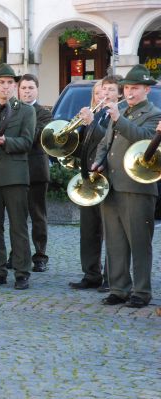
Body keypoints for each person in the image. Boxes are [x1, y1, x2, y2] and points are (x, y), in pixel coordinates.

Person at [91, 65, 161, 308]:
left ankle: (141, 292)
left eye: (135, 88)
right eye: (128, 87)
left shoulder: (154, 114)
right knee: (115, 242)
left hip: (137, 187)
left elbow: (145, 140)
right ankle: (119, 289)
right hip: (111, 184)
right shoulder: (120, 111)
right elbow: (105, 143)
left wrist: (118, 119)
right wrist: (98, 162)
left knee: (139, 242)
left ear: (147, 90)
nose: (129, 92)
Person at [0, 63, 35, 290]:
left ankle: (22, 273)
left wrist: (6, 141)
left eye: (10, 82)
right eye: (1, 82)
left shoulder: (26, 111)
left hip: (15, 177)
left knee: (18, 227)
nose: (6, 86)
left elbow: (27, 142)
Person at [69, 77, 120, 292]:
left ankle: (111, 276)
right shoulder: (96, 114)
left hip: (109, 177)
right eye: (99, 92)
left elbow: (109, 142)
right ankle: (91, 274)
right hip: (89, 178)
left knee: (111, 231)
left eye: (108, 91)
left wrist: (91, 124)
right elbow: (82, 146)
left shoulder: (118, 115)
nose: (103, 95)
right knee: (88, 230)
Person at [14, 74, 52, 273]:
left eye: (31, 88)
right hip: (15, 170)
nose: (27, 91)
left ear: (37, 90)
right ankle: (18, 254)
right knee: (16, 217)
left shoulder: (44, 113)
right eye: (24, 88)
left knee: (38, 215)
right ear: (18, 90)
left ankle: (40, 256)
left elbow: (34, 136)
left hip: (36, 171)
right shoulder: (12, 110)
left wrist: (16, 134)